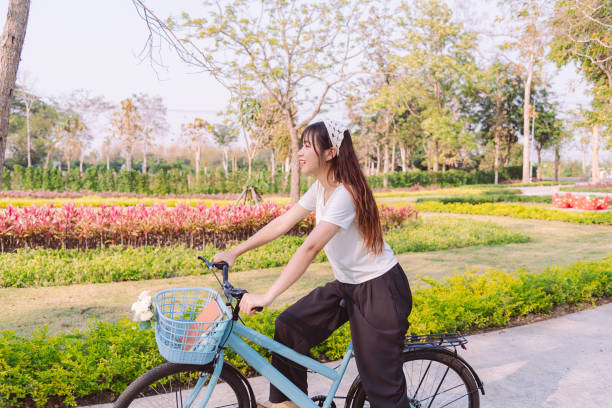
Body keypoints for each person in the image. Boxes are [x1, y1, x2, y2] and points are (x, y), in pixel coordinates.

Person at [214, 121, 413, 408]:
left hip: (379, 290)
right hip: (348, 286)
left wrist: (268, 295)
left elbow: (310, 248)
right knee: (289, 326)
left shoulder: (347, 193)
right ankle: (290, 404)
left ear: (330, 153)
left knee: (380, 386)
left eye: (308, 145)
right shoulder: (321, 188)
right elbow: (283, 222)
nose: (300, 152)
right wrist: (235, 252)